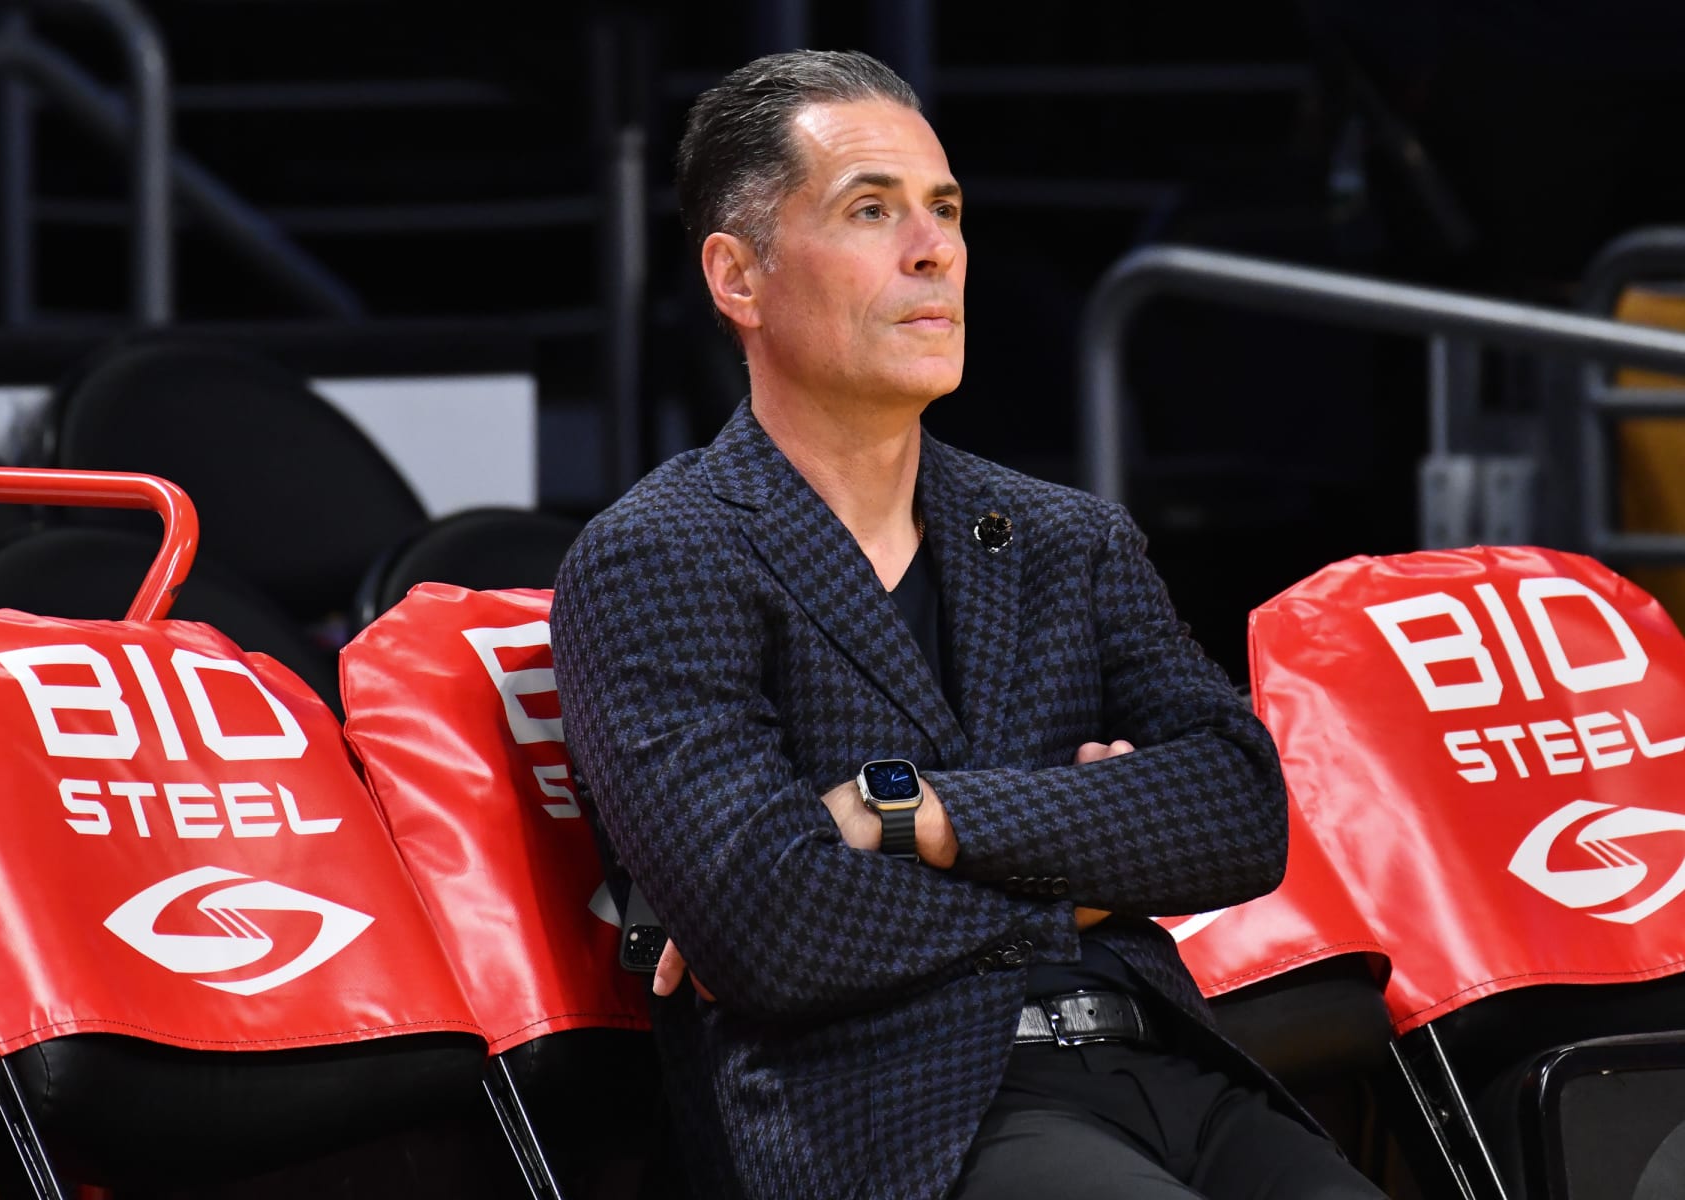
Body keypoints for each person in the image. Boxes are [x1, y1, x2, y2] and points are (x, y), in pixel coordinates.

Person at [551, 49, 1385, 1200]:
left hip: (1167, 1067)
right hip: (900, 1116)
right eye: (871, 210)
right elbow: (774, 930)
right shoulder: (659, 556)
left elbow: (1240, 811)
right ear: (739, 278)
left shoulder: (1067, 535)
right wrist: (1094, 853)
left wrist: (923, 814)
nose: (933, 248)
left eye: (943, 209)